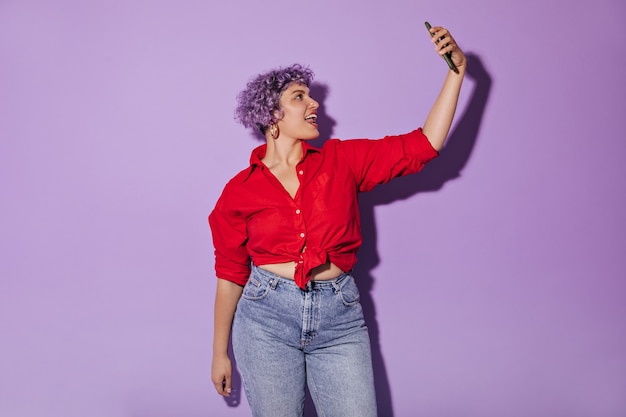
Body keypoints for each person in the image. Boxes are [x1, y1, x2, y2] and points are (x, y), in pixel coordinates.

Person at [209, 24, 466, 417]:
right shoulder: (238, 191)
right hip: (265, 321)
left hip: (339, 317)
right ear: (271, 116)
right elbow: (230, 273)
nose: (314, 105)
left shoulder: (341, 161)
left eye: (311, 97)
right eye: (299, 97)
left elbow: (423, 146)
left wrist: (456, 73)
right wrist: (219, 352)